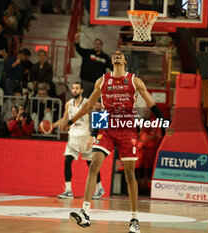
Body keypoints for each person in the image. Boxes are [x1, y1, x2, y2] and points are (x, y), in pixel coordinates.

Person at [63, 50, 167, 232]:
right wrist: (71, 121)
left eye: (120, 54)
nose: (117, 56)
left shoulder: (135, 81)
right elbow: (88, 105)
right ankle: (85, 213)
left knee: (129, 175)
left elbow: (151, 103)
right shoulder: (102, 80)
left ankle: (134, 219)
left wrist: (164, 122)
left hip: (127, 130)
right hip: (107, 128)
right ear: (112, 60)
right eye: (114, 54)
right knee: (94, 164)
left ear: (125, 60)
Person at [53, 82, 105, 200]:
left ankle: (99, 187)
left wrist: (93, 136)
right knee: (67, 161)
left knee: (92, 165)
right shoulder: (68, 104)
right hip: (73, 138)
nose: (74, 90)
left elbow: (97, 118)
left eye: (77, 88)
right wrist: (53, 125)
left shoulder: (88, 103)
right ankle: (68, 190)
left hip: (86, 138)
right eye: (73, 88)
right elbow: (65, 119)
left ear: (81, 90)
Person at [74, 33, 112, 98]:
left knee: (97, 103)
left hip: (98, 85)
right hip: (86, 82)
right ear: (94, 45)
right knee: (85, 101)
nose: (97, 45)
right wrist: (76, 42)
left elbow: (112, 67)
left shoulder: (105, 57)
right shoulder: (88, 53)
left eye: (99, 44)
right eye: (96, 44)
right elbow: (79, 49)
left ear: (101, 46)